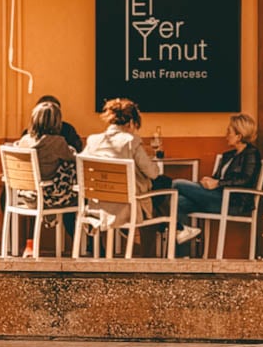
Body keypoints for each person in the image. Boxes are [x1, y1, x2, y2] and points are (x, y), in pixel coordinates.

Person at [83, 97, 199, 244]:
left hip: (99, 204)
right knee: (164, 183)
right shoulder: (131, 141)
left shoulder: (92, 140)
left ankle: (177, 228)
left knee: (157, 191)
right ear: (131, 122)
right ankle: (176, 229)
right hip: (127, 204)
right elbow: (153, 173)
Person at [174, 114, 262, 240]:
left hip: (233, 203)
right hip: (216, 197)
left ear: (239, 136)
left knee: (177, 183)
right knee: (177, 202)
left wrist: (218, 183)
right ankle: (183, 254)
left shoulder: (252, 154)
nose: (226, 135)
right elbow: (217, 178)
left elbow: (246, 180)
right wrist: (209, 181)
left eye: (229, 131)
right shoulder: (228, 155)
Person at [12, 98, 77, 208]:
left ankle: (50, 218)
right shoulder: (57, 142)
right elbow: (73, 159)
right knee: (71, 167)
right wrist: (71, 150)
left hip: (28, 197)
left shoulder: (24, 140)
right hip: (48, 198)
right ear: (57, 121)